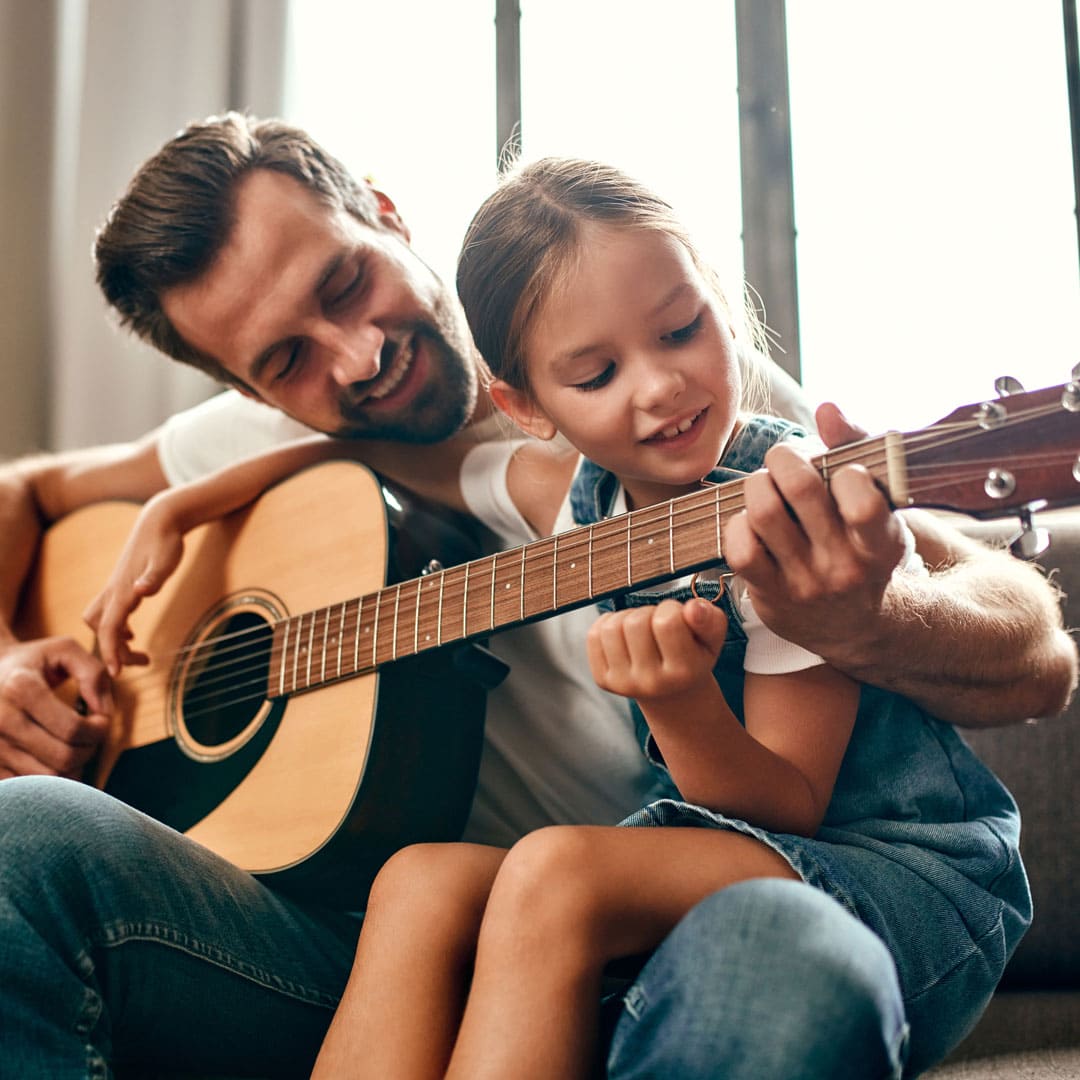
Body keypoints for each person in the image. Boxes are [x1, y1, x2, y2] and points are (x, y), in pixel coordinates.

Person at [0, 115, 1073, 1078]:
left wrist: (867, 619)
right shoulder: (317, 446)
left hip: (706, 902)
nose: (360, 355)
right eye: (287, 360)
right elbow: (27, 492)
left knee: (711, 932)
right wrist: (32, 643)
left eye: (342, 284)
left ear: (383, 211)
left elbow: (1027, 645)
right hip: (377, 942)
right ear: (248, 395)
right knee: (37, 837)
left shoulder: (708, 430)